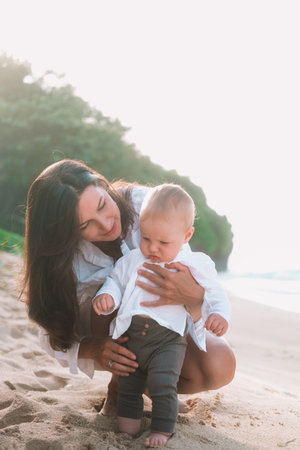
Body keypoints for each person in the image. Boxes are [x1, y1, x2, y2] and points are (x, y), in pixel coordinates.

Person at [23, 159, 235, 418]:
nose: (105, 224)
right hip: (107, 333)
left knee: (219, 363)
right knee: (109, 289)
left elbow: (192, 274)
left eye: (103, 205)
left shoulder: (148, 205)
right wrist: (93, 348)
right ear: (65, 232)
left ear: (102, 184)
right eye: (85, 224)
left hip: (164, 325)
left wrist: (193, 298)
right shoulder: (62, 260)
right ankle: (120, 388)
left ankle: (155, 387)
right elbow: (51, 331)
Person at [93, 184, 230, 447]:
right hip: (131, 338)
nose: (153, 248)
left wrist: (220, 315)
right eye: (146, 238)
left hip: (167, 341)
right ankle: (128, 428)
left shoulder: (193, 264)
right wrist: (108, 297)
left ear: (186, 236)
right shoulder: (132, 259)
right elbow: (116, 282)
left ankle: (162, 429)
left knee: (163, 384)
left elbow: (215, 292)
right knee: (129, 385)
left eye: (163, 242)